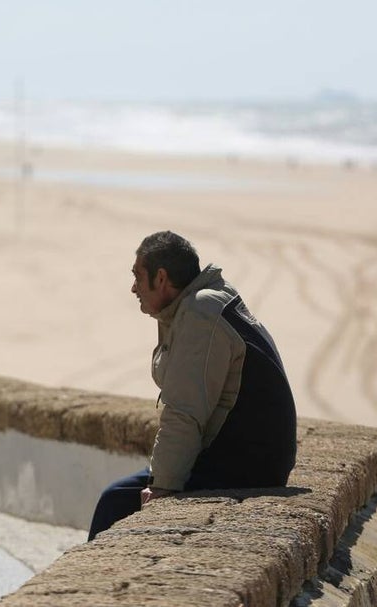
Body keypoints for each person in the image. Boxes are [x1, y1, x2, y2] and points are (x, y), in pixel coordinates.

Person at [87, 231, 297, 540]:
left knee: (114, 503)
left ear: (161, 278)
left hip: (242, 466)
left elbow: (185, 411)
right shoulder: (204, 301)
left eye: (138, 277)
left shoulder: (200, 312)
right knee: (120, 495)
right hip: (247, 458)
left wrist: (161, 488)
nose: (133, 288)